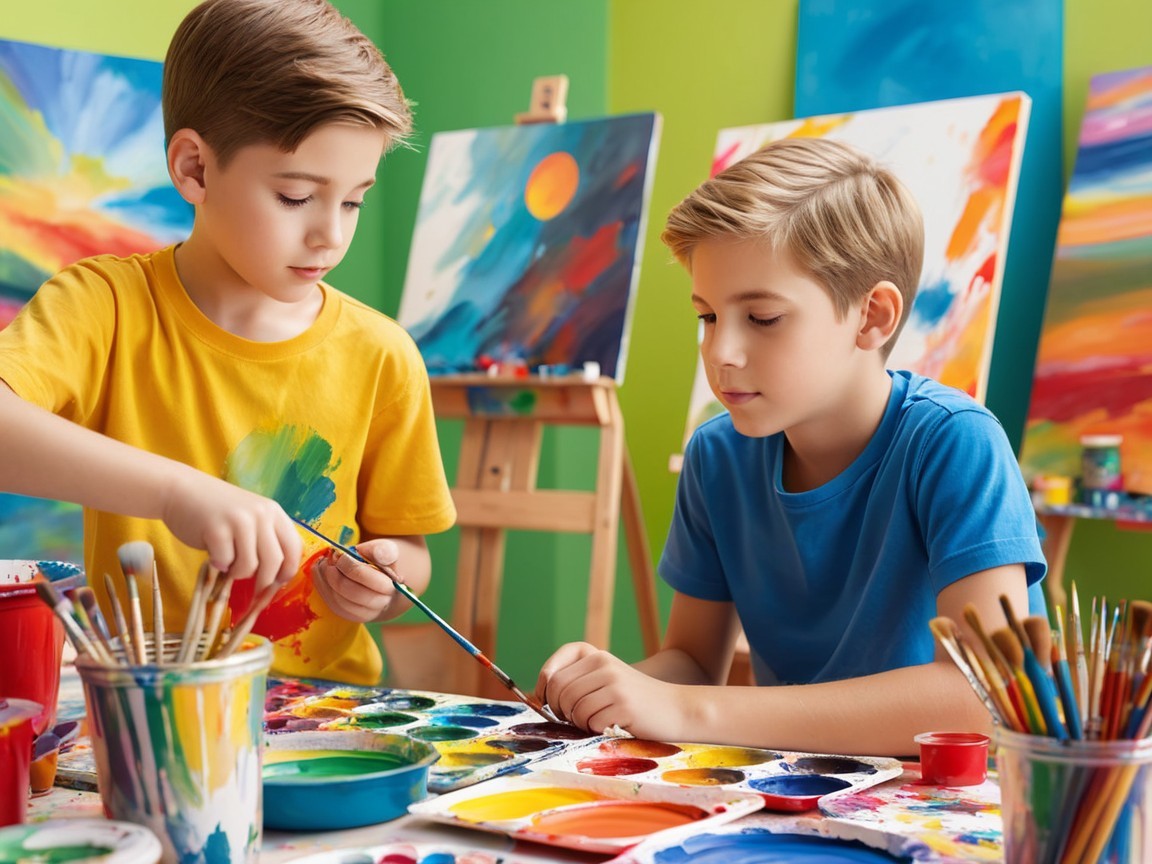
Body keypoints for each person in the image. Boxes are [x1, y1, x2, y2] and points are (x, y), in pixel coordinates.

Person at [536, 137, 1046, 755]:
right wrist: (613, 688)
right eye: (707, 317)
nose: (720, 352)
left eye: (763, 318)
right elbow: (695, 665)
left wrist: (687, 709)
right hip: (796, 796)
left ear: (872, 316)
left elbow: (981, 696)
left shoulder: (955, 442)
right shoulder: (716, 457)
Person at [0, 0, 456, 685]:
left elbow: (410, 550)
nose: (331, 233)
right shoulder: (105, 306)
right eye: (298, 197)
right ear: (195, 170)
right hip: (150, 718)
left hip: (327, 716)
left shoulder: (382, 353)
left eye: (354, 200)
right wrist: (177, 493)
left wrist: (385, 582)